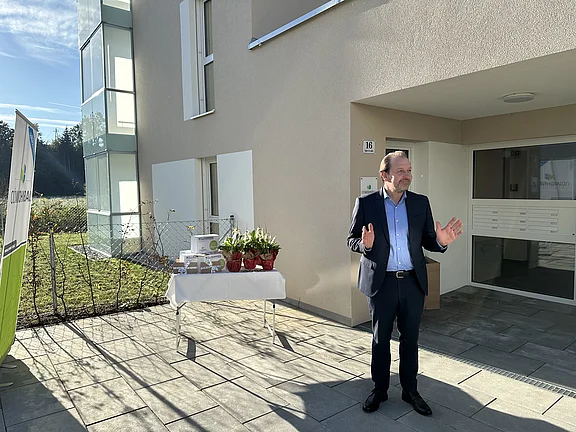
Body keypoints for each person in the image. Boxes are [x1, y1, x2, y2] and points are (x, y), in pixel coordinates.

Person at [347, 151, 463, 416]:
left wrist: (441, 242)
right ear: (384, 175)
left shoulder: (420, 203)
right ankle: (379, 389)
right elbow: (352, 239)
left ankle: (410, 390)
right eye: (400, 171)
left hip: (412, 283)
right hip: (382, 284)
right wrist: (365, 245)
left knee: (410, 340)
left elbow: (428, 239)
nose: (407, 175)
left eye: (409, 170)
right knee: (380, 340)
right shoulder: (366, 204)